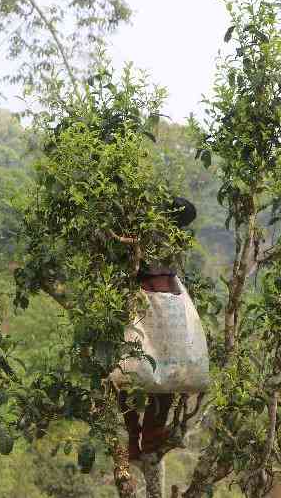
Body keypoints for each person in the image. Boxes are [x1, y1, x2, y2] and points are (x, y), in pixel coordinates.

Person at [116, 196, 197, 459]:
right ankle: (144, 434)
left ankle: (142, 435)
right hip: (158, 300)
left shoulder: (150, 234)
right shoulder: (156, 237)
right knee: (150, 368)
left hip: (156, 300)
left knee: (135, 368)